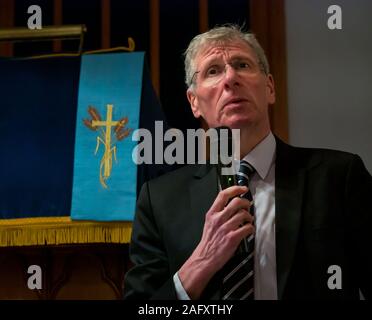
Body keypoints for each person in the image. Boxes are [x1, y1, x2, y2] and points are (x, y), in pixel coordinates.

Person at [123, 25, 372, 300]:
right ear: (194, 103)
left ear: (269, 88)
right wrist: (200, 263)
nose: (230, 77)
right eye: (213, 71)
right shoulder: (158, 201)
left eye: (242, 64)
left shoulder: (339, 176)